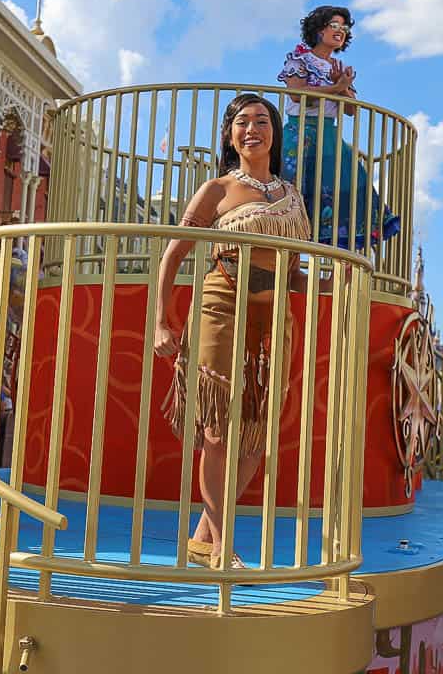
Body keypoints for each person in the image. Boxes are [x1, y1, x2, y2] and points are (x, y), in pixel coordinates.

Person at [154, 93, 315, 570]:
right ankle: (223, 543)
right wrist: (162, 321)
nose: (252, 129)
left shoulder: (291, 195)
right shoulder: (217, 190)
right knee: (218, 430)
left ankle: (203, 536)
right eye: (242, 122)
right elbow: (174, 254)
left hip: (275, 311)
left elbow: (293, 268)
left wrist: (323, 279)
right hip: (221, 301)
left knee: (258, 431)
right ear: (229, 135)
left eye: (262, 121)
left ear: (274, 133)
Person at [277, 6, 398, 251]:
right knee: (296, 190)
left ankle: (341, 271)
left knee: (348, 189)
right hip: (300, 133)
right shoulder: (299, 59)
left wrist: (341, 85)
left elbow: (351, 110)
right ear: (320, 29)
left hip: (329, 135)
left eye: (344, 28)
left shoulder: (339, 68)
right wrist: (335, 88)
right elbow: (297, 94)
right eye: (335, 25)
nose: (340, 31)